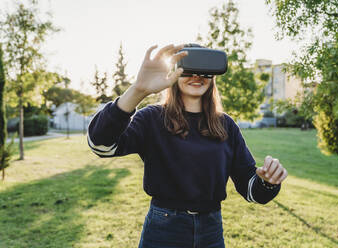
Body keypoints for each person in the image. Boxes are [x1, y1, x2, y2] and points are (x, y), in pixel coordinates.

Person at [87, 43, 288, 248]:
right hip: (163, 230)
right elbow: (101, 145)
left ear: (213, 75)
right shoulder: (152, 118)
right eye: (188, 68)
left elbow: (251, 190)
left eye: (204, 70)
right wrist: (138, 90)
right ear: (174, 72)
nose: (196, 75)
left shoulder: (226, 125)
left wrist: (267, 181)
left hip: (211, 231)